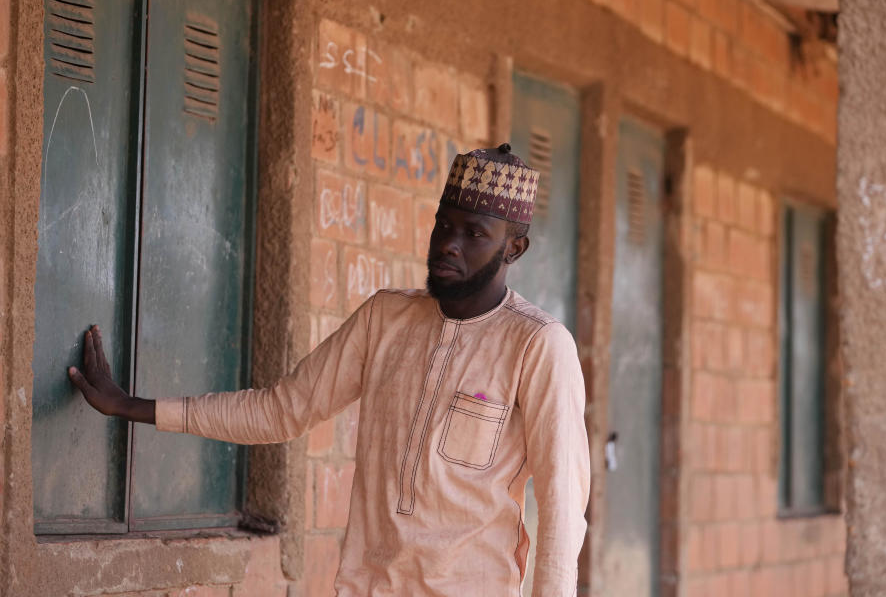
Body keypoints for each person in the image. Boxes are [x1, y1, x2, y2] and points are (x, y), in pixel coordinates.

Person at [68, 143, 590, 596]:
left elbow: (562, 508)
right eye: (443, 224)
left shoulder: (538, 345)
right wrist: (129, 406)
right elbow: (281, 411)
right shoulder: (386, 318)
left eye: (475, 233)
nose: (449, 243)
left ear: (513, 249)